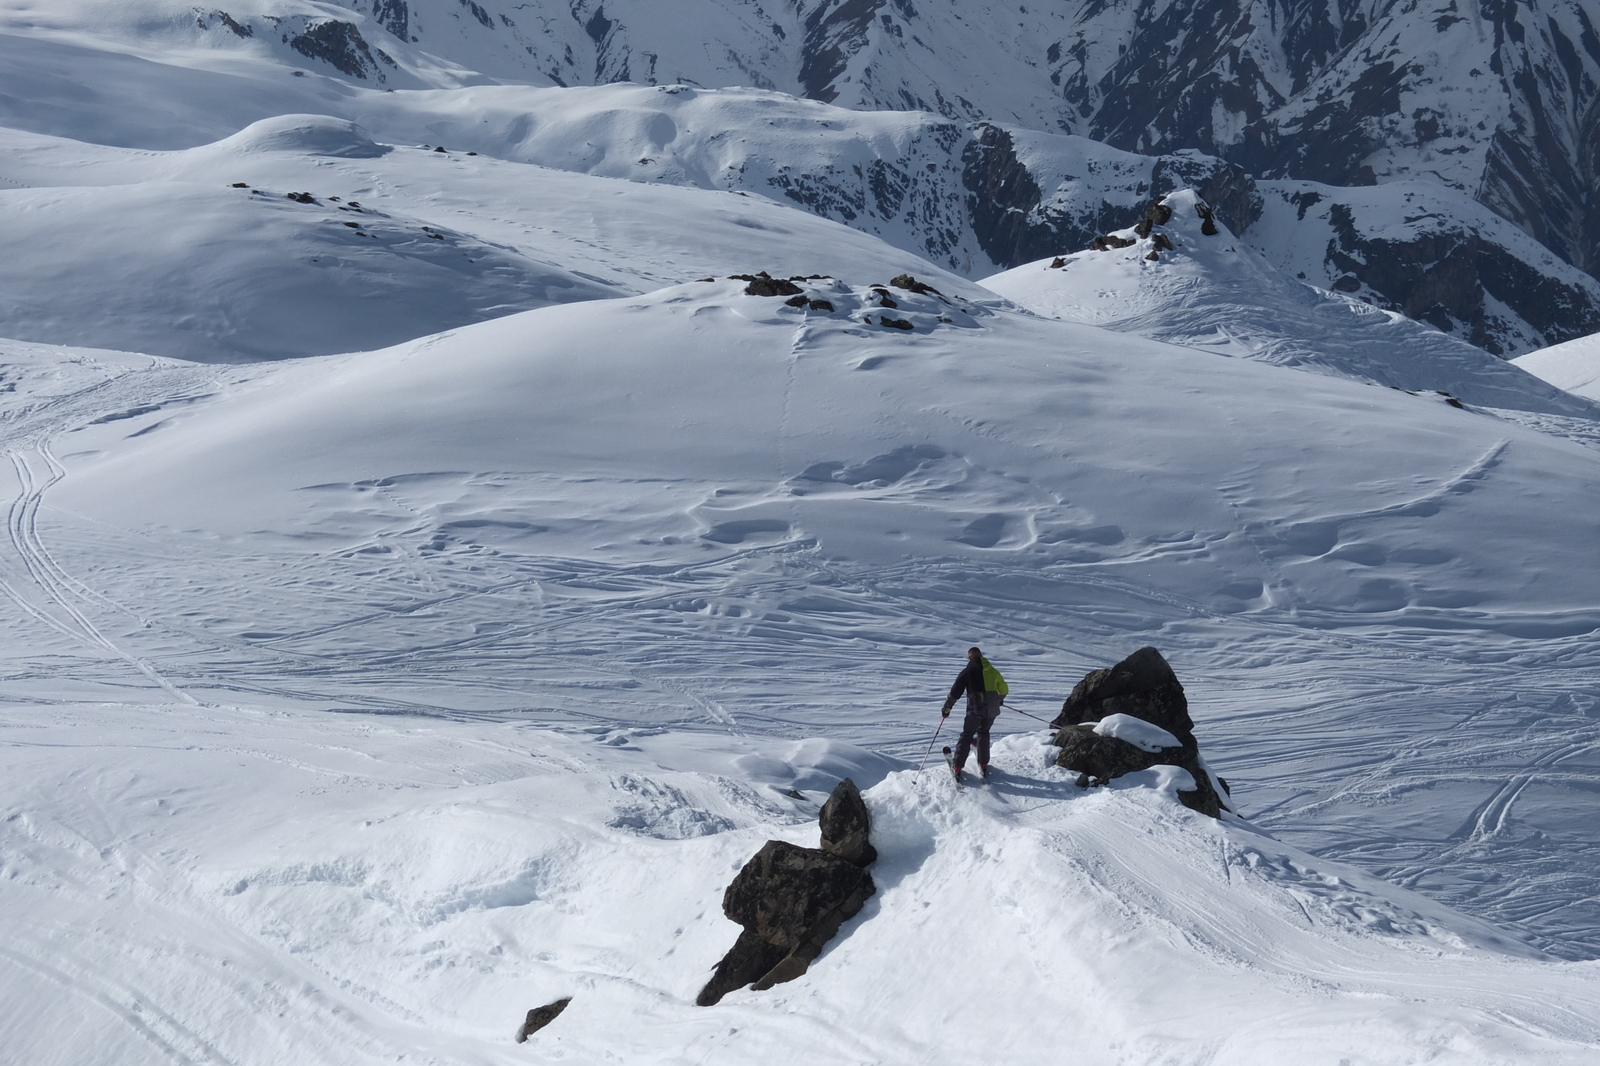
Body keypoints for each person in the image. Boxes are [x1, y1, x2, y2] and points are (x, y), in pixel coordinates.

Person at [941, 646, 1007, 780]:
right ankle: (983, 764)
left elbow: (955, 692)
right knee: (984, 733)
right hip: (991, 712)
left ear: (970, 658)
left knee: (967, 735)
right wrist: (998, 700)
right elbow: (1004, 689)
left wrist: (947, 709)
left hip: (975, 711)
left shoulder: (968, 671)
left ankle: (958, 766)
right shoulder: (993, 671)